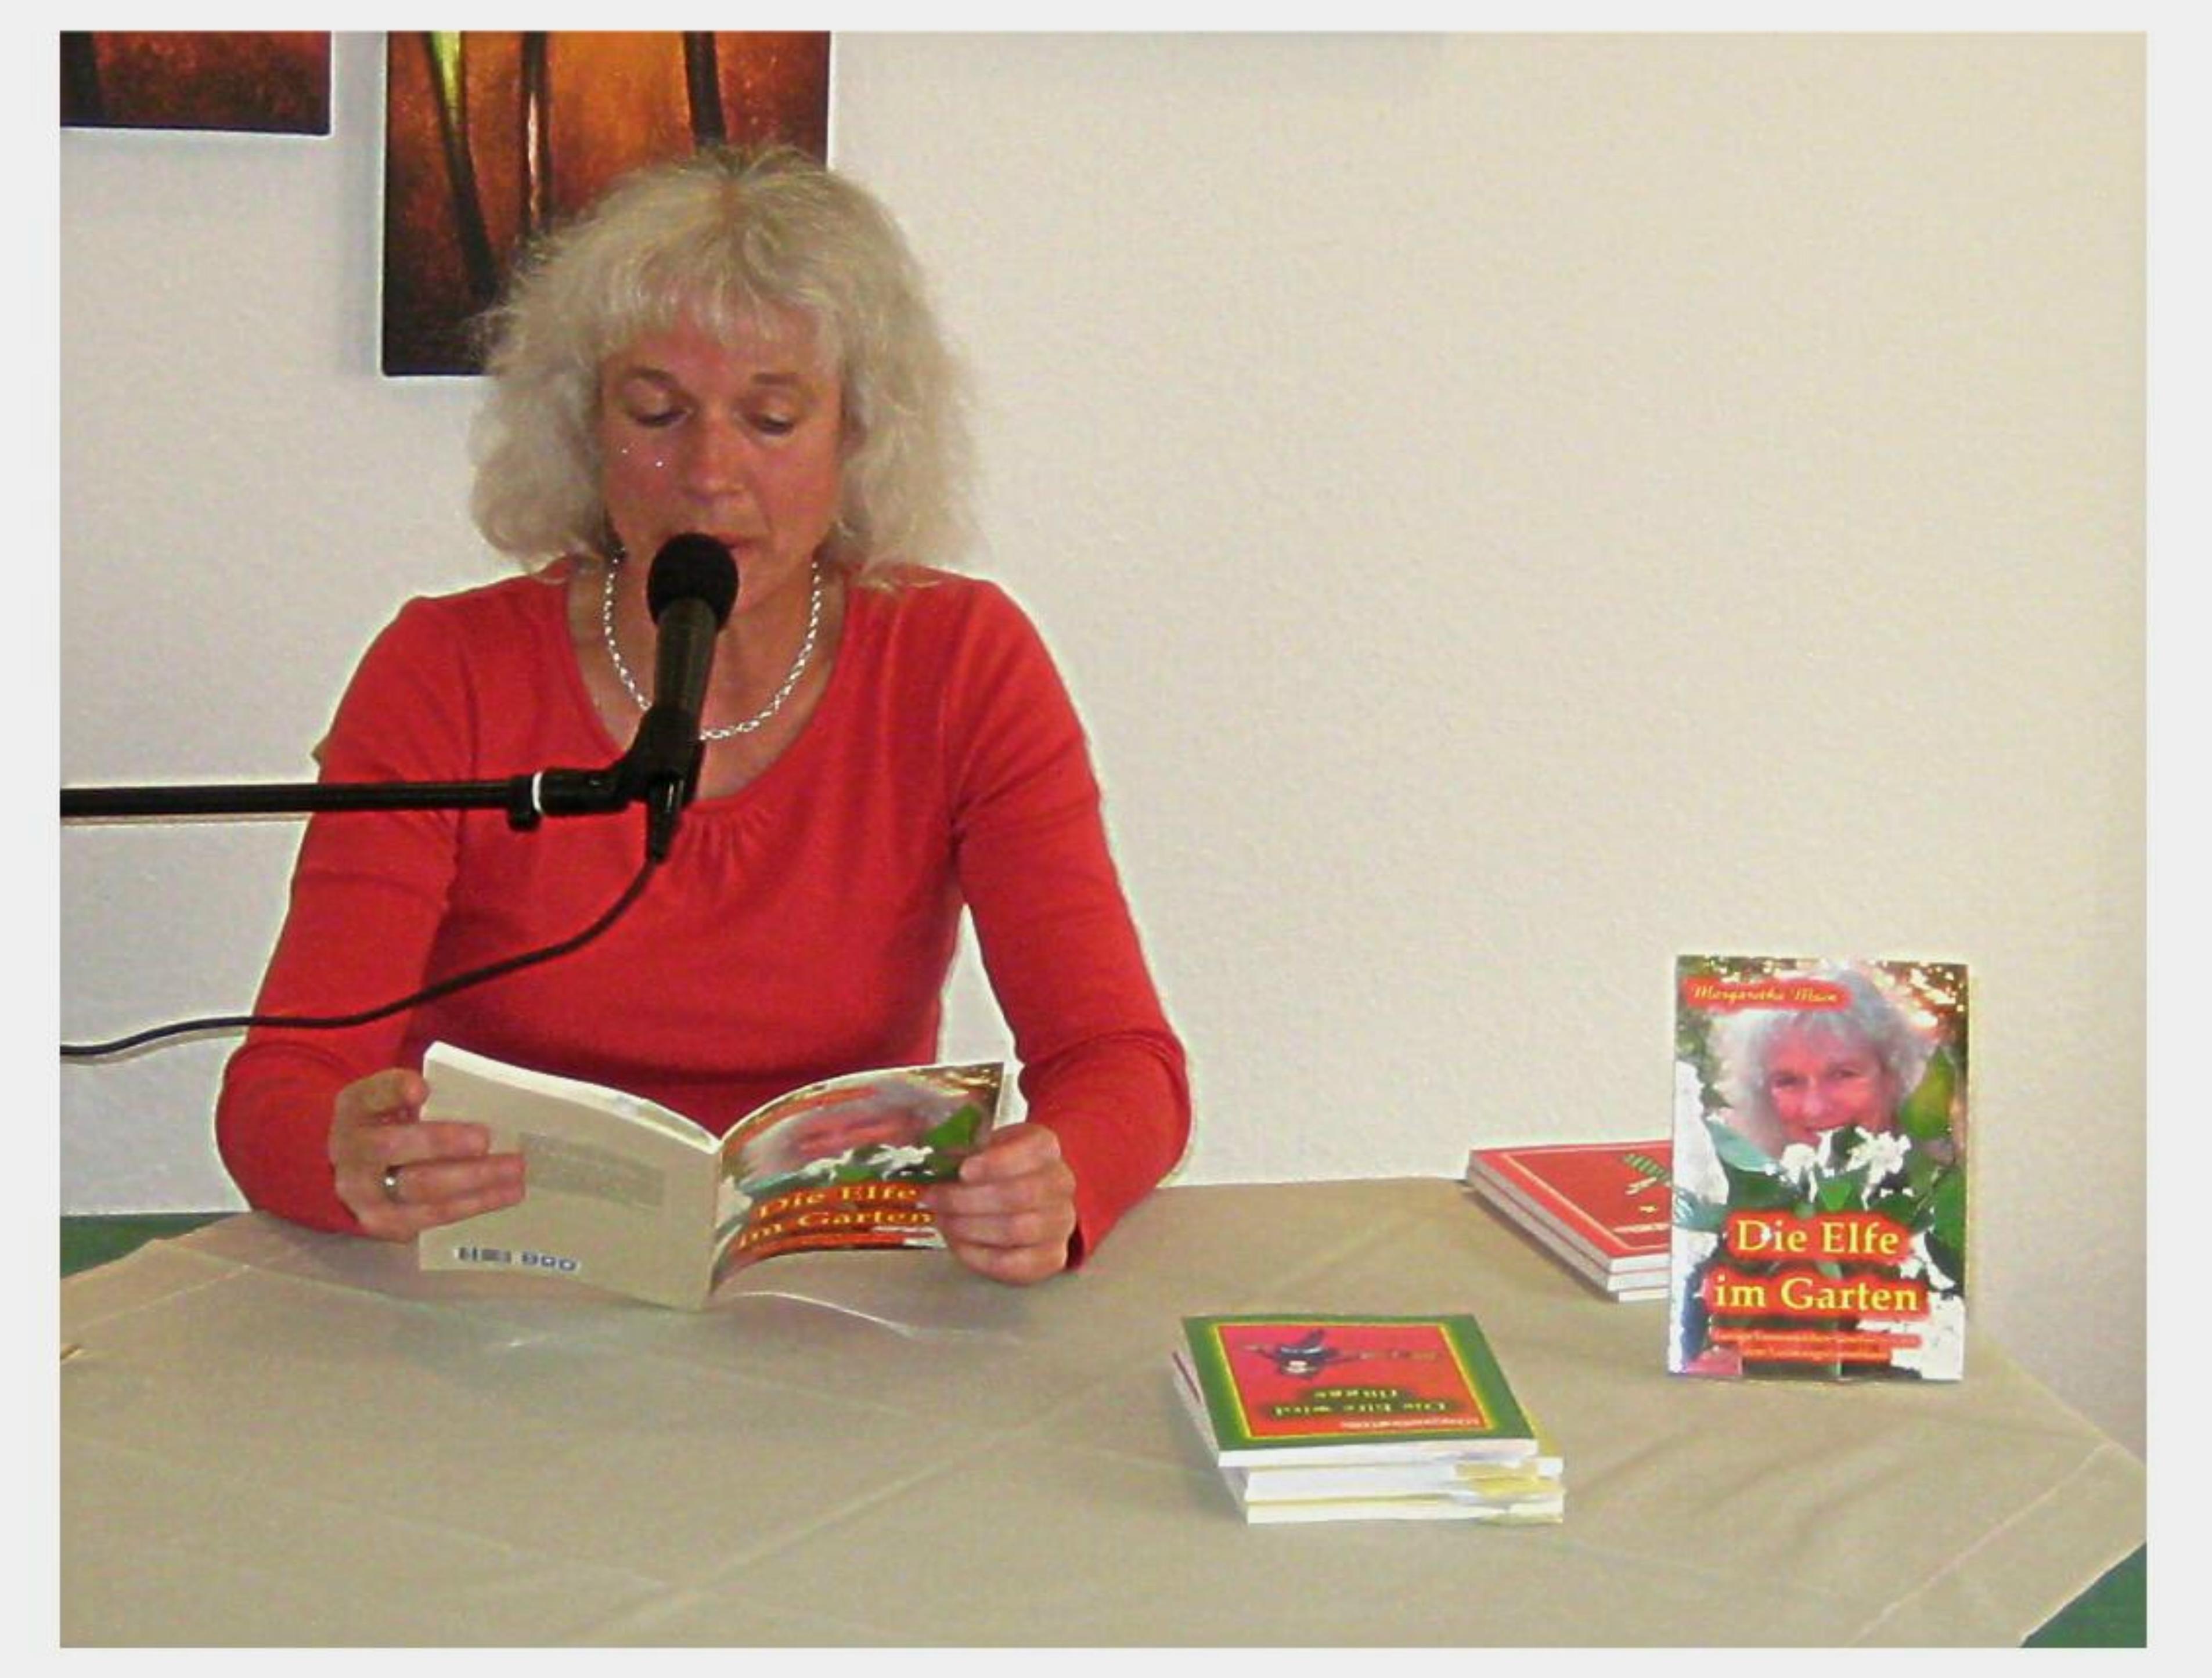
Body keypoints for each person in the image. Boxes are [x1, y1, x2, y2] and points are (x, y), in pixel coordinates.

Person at [215, 145, 1190, 1285]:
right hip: (502, 1291)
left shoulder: (960, 660)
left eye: (771, 419)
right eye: (657, 412)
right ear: (586, 429)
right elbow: (281, 1087)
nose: (709, 471)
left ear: (856, 436)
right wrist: (349, 1162)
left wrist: (1057, 1185)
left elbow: (1120, 1060)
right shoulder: (445, 670)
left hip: (830, 1292)